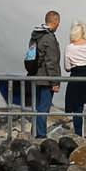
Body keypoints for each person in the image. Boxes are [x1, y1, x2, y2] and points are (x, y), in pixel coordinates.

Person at [25, 9, 63, 139]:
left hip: (34, 76)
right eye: (58, 22)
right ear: (56, 21)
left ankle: (34, 132)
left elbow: (31, 55)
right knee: (43, 108)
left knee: (36, 106)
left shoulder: (35, 35)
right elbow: (51, 62)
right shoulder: (49, 38)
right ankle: (40, 135)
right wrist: (55, 82)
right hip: (46, 79)